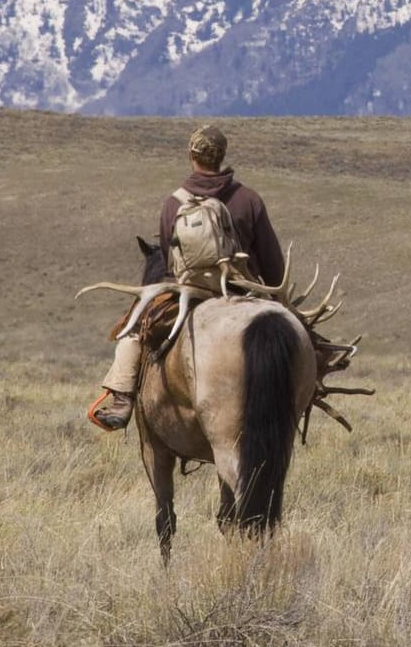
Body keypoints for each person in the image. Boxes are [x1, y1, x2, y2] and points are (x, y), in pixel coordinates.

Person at [88, 124, 286, 431]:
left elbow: (168, 258)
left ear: (192, 156)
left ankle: (122, 398)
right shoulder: (249, 200)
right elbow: (273, 265)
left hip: (189, 292)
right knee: (289, 333)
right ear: (222, 156)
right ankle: (303, 387)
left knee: (135, 329)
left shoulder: (173, 203)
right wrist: (281, 300)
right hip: (241, 291)